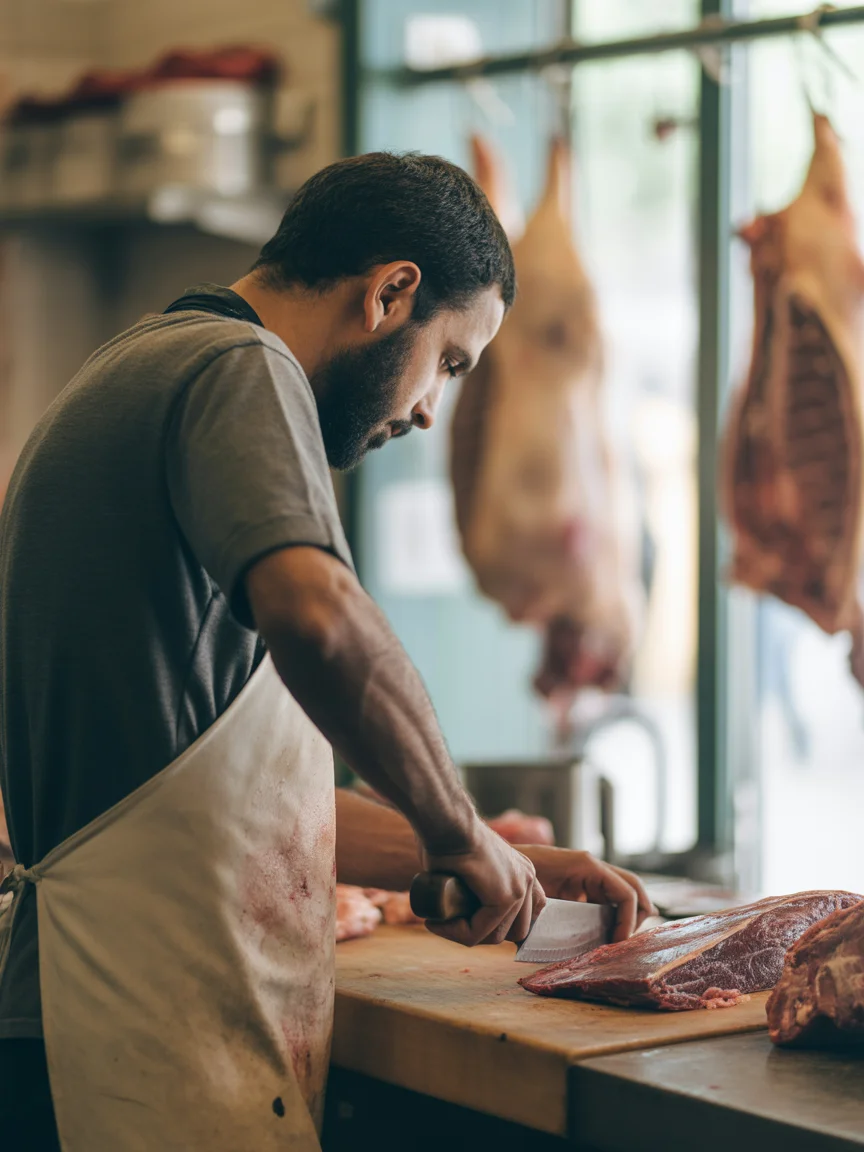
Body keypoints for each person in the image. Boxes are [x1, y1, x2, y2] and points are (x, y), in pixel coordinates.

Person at [0, 151, 652, 1150]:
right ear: (391, 293)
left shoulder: (139, 368)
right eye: (451, 360)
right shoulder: (236, 368)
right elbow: (322, 618)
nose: (433, 408)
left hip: (91, 1017)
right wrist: (453, 832)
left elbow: (230, 807)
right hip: (124, 1034)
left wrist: (508, 853)